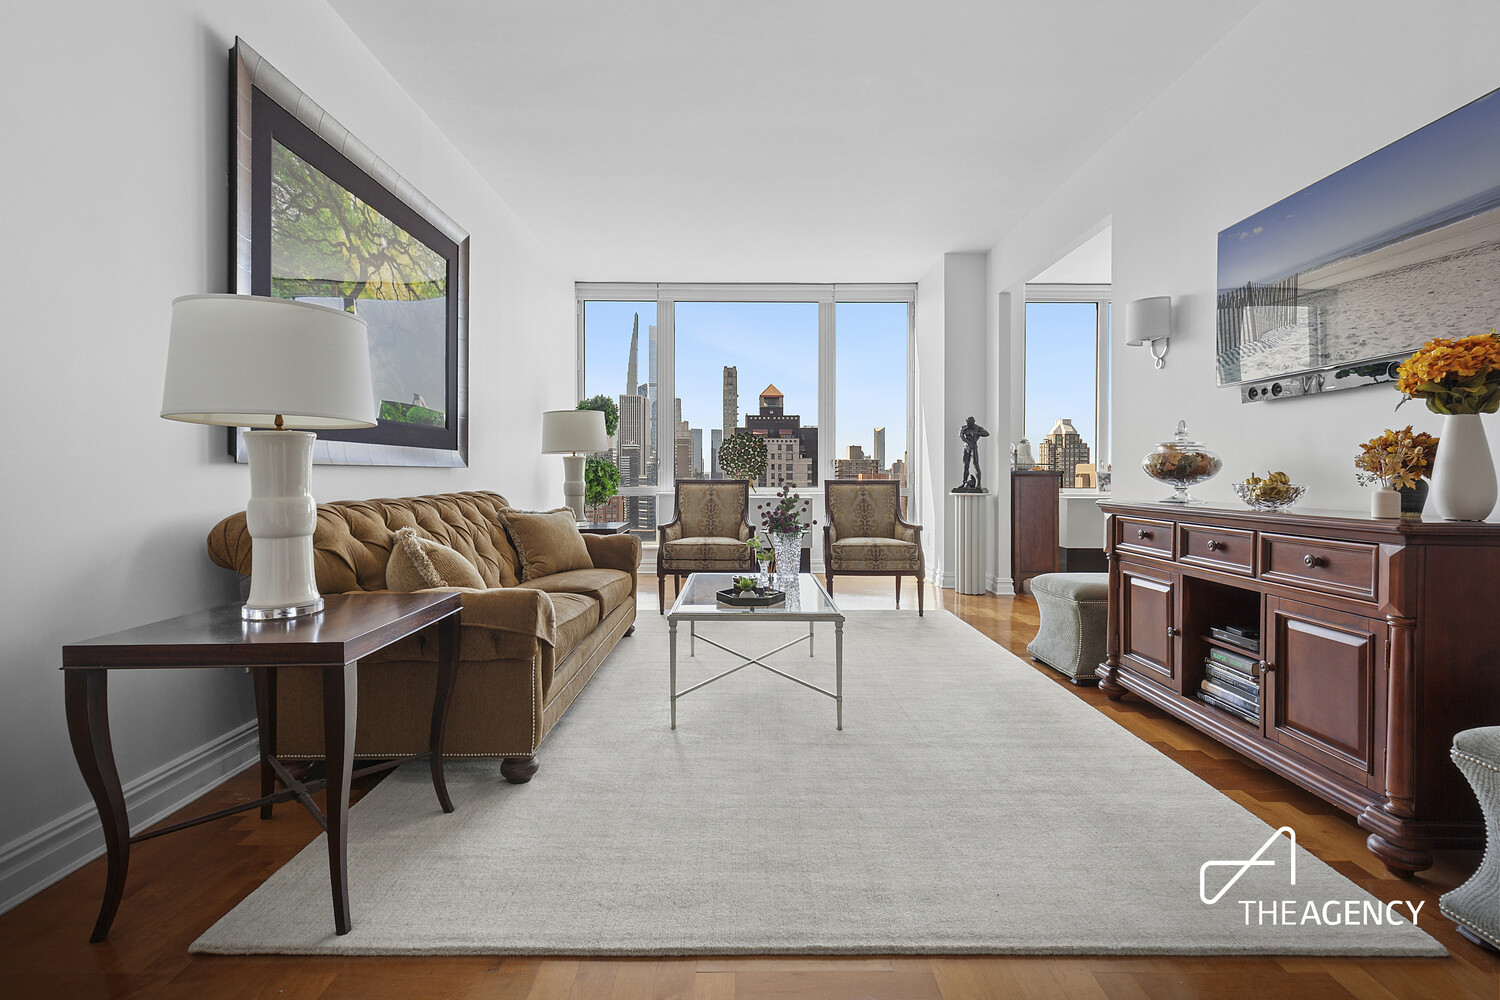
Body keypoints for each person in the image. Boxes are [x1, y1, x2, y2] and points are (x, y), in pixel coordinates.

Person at [958, 416, 989, 491]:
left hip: (974, 447)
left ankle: (979, 484)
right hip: (967, 447)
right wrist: (967, 442)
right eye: (968, 422)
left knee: (976, 465)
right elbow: (961, 435)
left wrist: (977, 433)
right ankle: (964, 482)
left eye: (970, 423)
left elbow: (986, 433)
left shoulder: (977, 428)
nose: (968, 424)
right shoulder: (964, 428)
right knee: (966, 465)